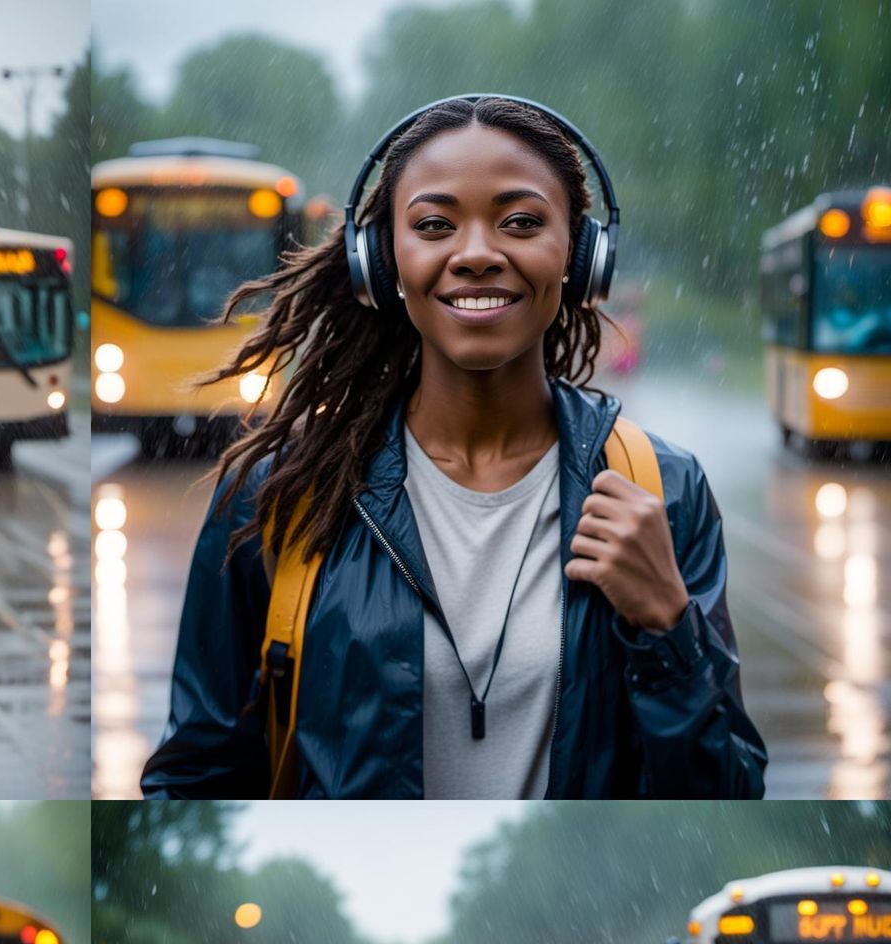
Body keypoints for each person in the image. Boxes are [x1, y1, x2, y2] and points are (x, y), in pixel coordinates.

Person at [142, 95, 766, 799]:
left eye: (522, 222)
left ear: (582, 256)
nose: (476, 254)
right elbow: (194, 776)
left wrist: (668, 629)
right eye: (435, 224)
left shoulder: (664, 489)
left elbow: (727, 790)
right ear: (379, 261)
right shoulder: (276, 495)